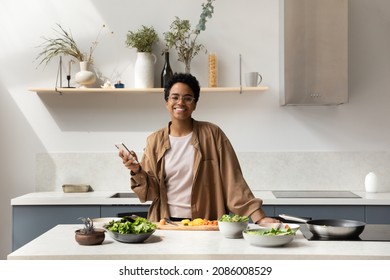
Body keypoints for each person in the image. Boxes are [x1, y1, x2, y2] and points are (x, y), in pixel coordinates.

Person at [119, 73, 278, 224]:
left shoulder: (213, 134)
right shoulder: (154, 141)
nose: (180, 102)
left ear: (194, 104)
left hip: (206, 223)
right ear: (167, 102)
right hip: (165, 224)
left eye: (187, 98)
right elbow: (151, 193)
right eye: (175, 97)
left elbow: (233, 181)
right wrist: (137, 170)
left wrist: (259, 217)